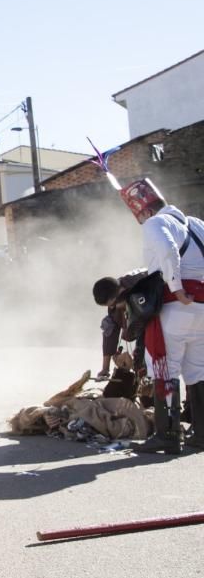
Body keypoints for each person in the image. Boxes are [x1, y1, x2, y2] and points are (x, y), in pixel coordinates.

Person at [117, 179, 204, 453]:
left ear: (143, 212)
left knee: (165, 368)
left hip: (174, 306)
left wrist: (177, 289)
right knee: (198, 370)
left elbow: (167, 251)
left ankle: (167, 435)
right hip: (201, 307)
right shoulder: (198, 224)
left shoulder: (156, 224)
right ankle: (201, 433)